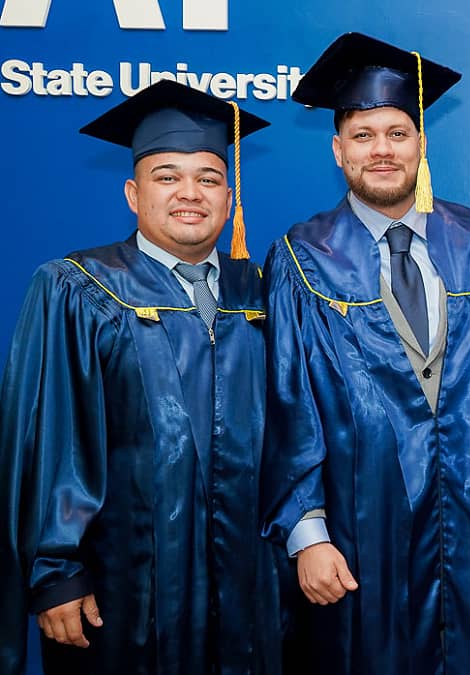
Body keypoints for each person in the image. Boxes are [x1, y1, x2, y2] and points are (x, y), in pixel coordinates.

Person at [0, 80, 284, 675]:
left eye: (208, 178)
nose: (190, 193)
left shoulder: (260, 294)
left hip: (247, 588)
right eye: (167, 176)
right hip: (121, 590)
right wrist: (56, 573)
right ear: (134, 193)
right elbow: (50, 437)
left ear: (229, 197)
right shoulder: (78, 288)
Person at [259, 32, 470, 675]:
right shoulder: (302, 255)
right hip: (358, 523)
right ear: (338, 151)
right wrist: (306, 533)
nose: (382, 150)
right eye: (364, 135)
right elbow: (289, 401)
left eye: (397, 133)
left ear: (422, 145)